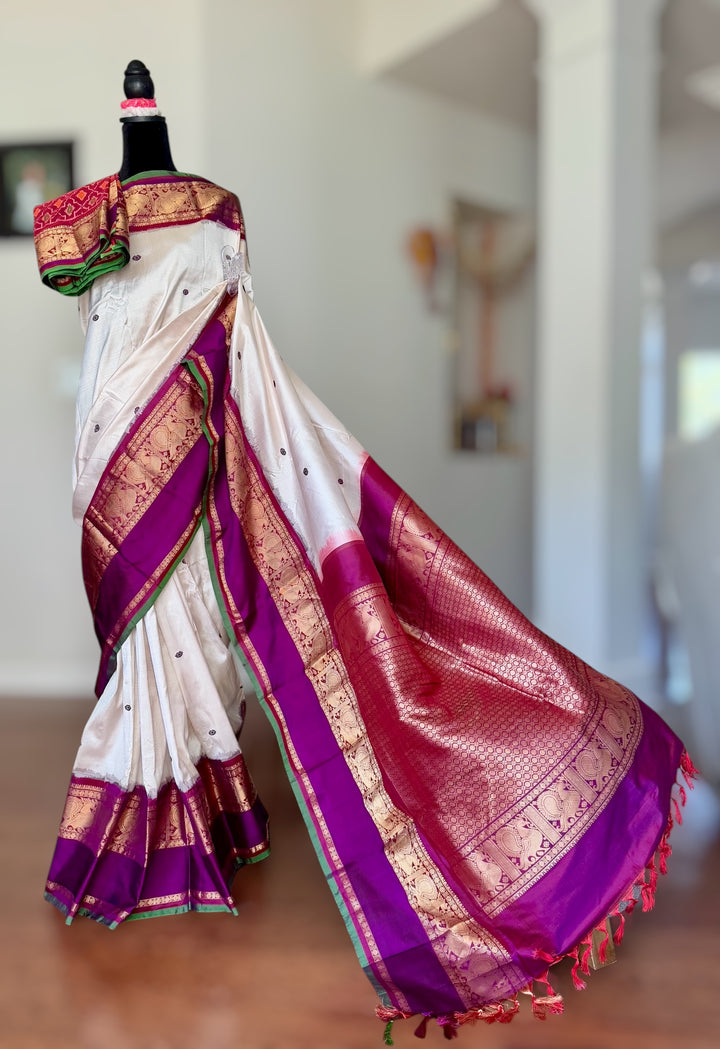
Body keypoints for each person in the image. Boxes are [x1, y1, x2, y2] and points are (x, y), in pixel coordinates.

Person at [33, 80, 693, 1043]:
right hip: (108, 453)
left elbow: (231, 339)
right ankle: (189, 828)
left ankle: (171, 844)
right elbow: (100, 323)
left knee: (201, 643)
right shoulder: (95, 214)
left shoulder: (212, 210)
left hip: (187, 440)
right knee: (147, 641)